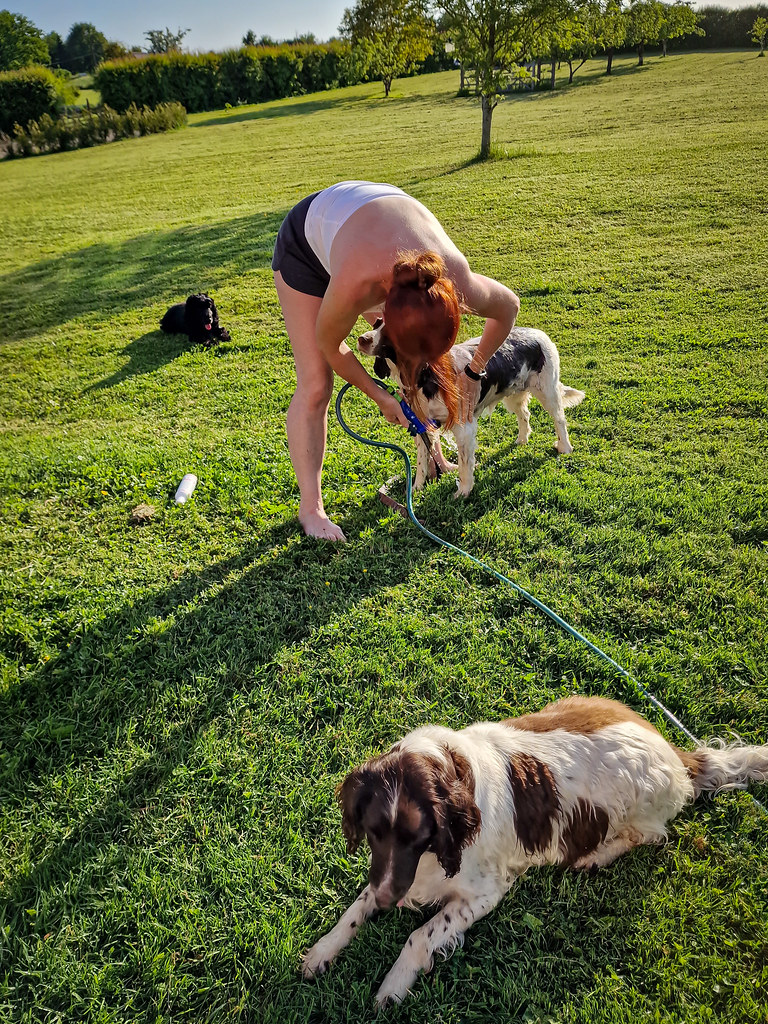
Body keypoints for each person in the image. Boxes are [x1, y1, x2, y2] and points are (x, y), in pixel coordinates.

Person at [271, 180, 521, 542]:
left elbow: (508, 307)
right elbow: (330, 345)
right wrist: (381, 397)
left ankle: (433, 456)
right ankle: (311, 510)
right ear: (382, 315)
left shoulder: (455, 278)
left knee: (419, 369)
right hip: (307, 246)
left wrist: (474, 368)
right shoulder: (357, 285)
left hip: (369, 224)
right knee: (316, 384)